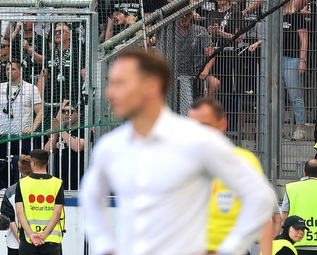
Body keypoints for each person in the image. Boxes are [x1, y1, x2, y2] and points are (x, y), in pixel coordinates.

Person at [81, 47, 276, 255]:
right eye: (111, 83)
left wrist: (228, 250)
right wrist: (104, 247)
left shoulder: (196, 140)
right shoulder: (110, 146)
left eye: (120, 83)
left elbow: (261, 196)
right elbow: (90, 197)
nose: (109, 92)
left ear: (152, 86)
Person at [187, 97, 275, 254]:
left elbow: (264, 218)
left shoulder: (243, 162)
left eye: (205, 125)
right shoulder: (179, 163)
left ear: (222, 125)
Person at [14, 148, 64, 254]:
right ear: (47, 162)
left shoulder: (22, 183)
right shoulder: (57, 183)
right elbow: (57, 213)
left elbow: (19, 213)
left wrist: (31, 235)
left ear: (32, 163)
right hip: (51, 240)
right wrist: (44, 235)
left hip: (28, 240)